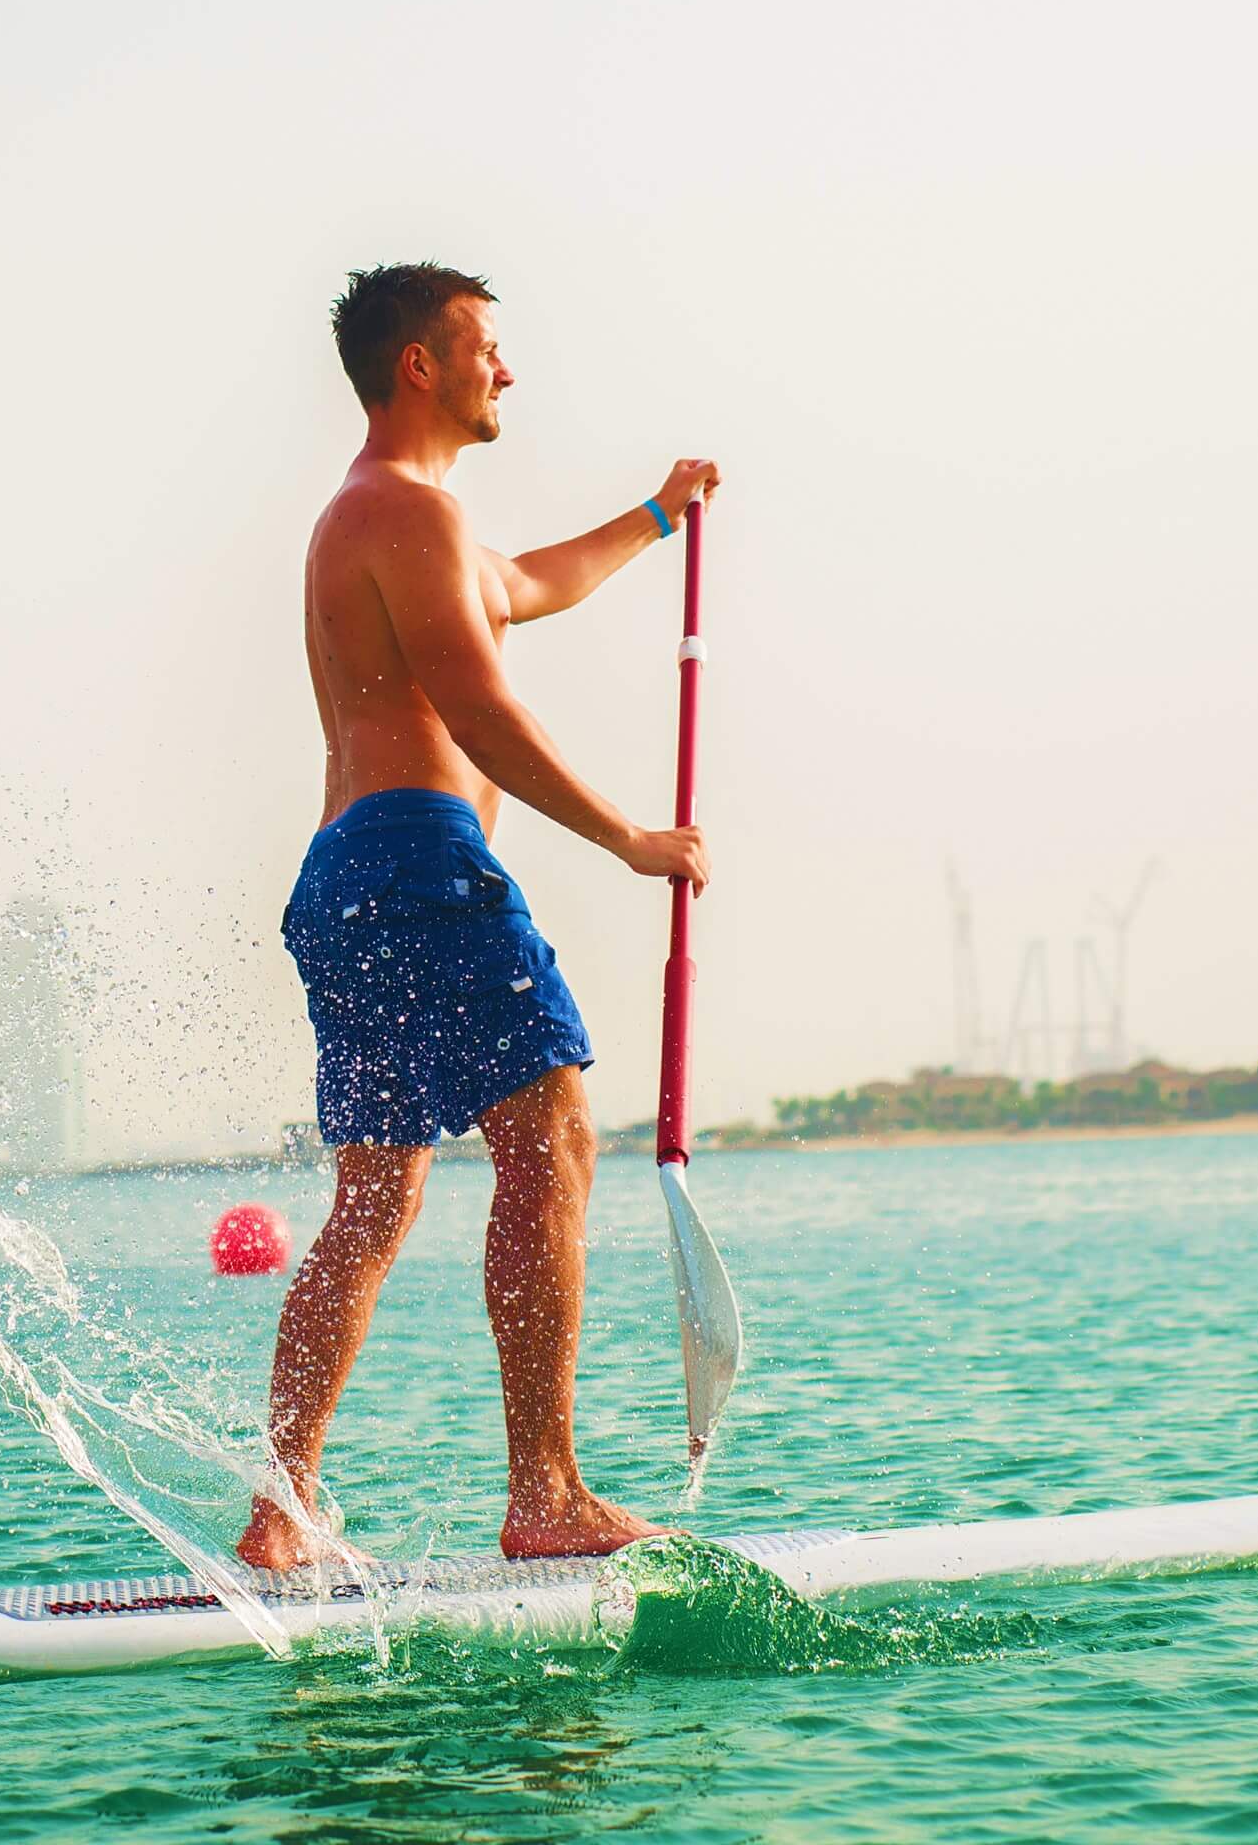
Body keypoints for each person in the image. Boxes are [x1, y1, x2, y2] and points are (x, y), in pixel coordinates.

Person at [237, 262, 718, 1572]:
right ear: (422, 367)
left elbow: (531, 585)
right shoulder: (404, 512)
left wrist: (656, 517)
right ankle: (546, 1493)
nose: (507, 371)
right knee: (554, 1140)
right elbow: (483, 707)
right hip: (419, 859)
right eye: (487, 350)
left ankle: (283, 1508)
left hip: (344, 876)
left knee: (378, 1199)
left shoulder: (387, 518)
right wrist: (630, 839)